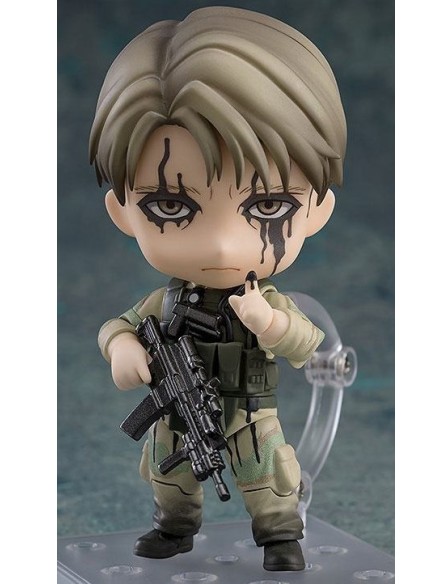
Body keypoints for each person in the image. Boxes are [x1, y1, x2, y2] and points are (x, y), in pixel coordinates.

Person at [90, 6, 346, 572]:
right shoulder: (168, 302)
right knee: (169, 469)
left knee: (265, 472)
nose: (224, 246)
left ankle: (280, 536)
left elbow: (308, 344)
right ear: (123, 212)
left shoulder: (263, 299)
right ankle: (174, 526)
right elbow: (120, 325)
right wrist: (123, 347)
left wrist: (269, 322)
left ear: (317, 210)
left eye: (268, 206)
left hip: (248, 407)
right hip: (177, 408)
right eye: (171, 206)